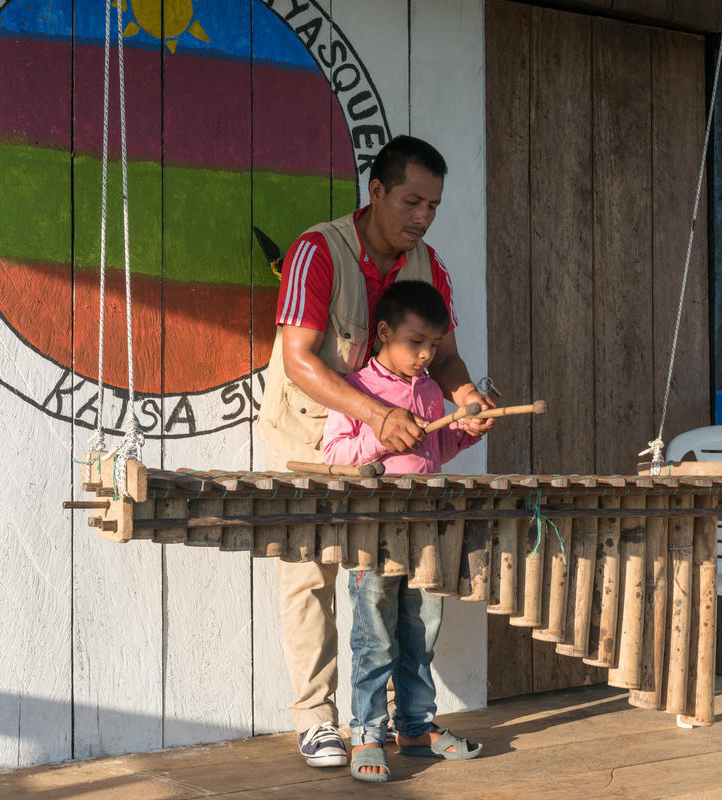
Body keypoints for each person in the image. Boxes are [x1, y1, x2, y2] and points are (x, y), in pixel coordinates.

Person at [255, 135, 494, 768]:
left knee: (400, 589)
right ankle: (315, 719)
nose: (422, 217)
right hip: (310, 435)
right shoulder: (316, 252)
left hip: (392, 454)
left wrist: (468, 398)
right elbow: (299, 360)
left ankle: (405, 724)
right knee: (309, 573)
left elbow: (443, 357)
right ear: (377, 191)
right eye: (411, 200)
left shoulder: (430, 266)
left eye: (434, 206)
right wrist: (379, 414)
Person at [322, 280, 485, 782]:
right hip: (373, 535)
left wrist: (464, 431)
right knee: (374, 639)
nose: (426, 355)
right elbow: (333, 456)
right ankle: (367, 733)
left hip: (426, 535)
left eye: (433, 345)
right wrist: (379, 438)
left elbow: (432, 455)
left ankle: (414, 725)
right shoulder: (359, 391)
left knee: (421, 635)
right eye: (415, 342)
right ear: (385, 333)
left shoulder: (434, 392)